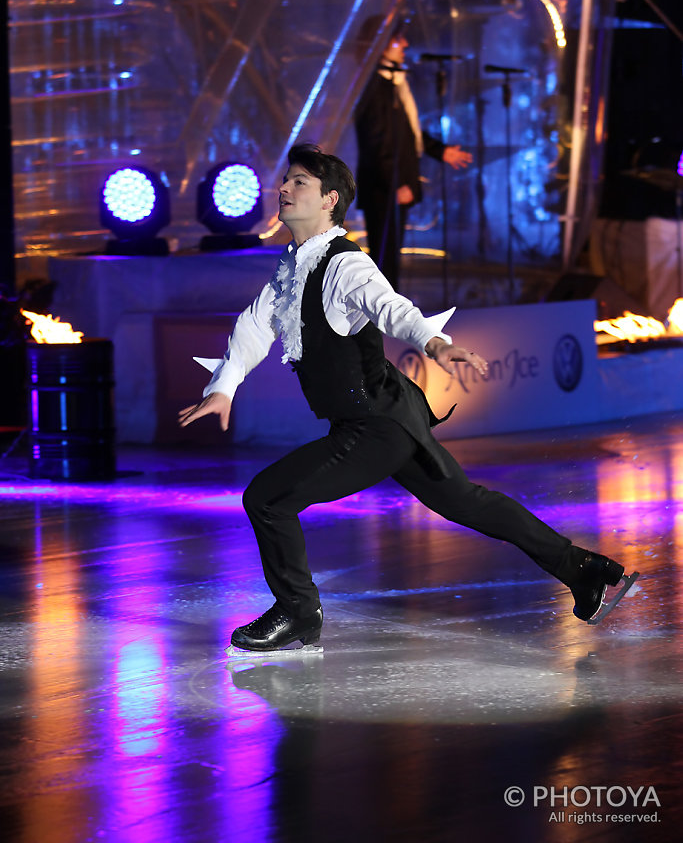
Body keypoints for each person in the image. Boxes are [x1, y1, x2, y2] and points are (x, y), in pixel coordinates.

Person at [178, 144, 638, 653]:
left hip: (376, 425)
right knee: (467, 502)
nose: (283, 189)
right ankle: (584, 569)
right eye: (285, 180)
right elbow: (253, 326)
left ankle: (297, 613)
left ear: (330, 200)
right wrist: (223, 387)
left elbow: (390, 306)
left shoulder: (346, 264)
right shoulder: (291, 268)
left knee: (267, 498)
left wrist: (434, 342)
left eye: (298, 182)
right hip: (384, 418)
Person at [354, 17, 472, 286]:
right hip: (385, 188)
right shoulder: (374, 88)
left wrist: (440, 151)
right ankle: (378, 320)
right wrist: (395, 184)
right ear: (381, 45)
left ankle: (386, 316)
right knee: (385, 258)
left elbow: (409, 133)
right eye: (398, 40)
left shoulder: (395, 84)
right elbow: (376, 143)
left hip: (396, 183)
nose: (405, 44)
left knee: (391, 256)